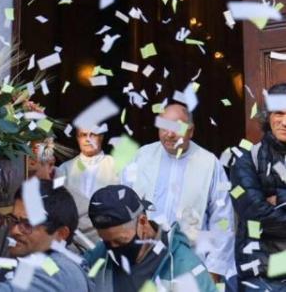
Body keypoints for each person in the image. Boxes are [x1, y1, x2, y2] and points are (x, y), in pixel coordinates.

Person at [121, 103, 236, 283]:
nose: (170, 134)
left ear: (191, 131)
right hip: (143, 262)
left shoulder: (209, 164)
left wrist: (214, 272)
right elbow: (123, 204)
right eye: (164, 127)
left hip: (191, 265)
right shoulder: (142, 157)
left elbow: (222, 221)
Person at [85, 184, 216, 291]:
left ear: (142, 222)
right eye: (107, 242)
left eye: (120, 240)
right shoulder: (98, 256)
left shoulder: (183, 266)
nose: (113, 248)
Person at [0, 182, 91, 292]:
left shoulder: (55, 271)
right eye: (14, 220)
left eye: (27, 225)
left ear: (61, 234)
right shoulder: (34, 261)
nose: (14, 230)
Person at [230, 82, 286, 290]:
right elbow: (254, 215)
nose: (284, 122)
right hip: (261, 275)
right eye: (278, 113)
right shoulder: (247, 160)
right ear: (267, 117)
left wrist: (276, 199)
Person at [56, 127, 118, 247]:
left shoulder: (117, 166)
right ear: (77, 138)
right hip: (73, 241)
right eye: (83, 135)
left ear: (101, 136)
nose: (88, 139)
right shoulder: (64, 169)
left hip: (107, 237)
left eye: (93, 134)